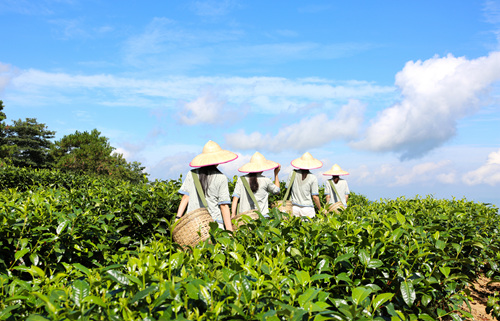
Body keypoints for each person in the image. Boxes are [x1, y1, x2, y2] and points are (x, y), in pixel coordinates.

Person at [176, 140, 237, 231]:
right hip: (214, 223)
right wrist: (229, 230)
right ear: (218, 160)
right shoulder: (221, 177)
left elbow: (185, 197)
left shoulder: (192, 174)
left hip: (193, 222)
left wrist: (177, 218)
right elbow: (223, 206)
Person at [231, 152, 281, 218]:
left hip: (244, 217)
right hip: (262, 217)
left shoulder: (241, 179)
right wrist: (276, 174)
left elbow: (235, 198)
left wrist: (233, 215)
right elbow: (277, 191)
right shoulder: (266, 180)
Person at [287, 152, 322, 218]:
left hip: (294, 207)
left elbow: (287, 188)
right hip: (308, 209)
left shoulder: (292, 173)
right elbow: (315, 197)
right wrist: (320, 209)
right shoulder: (313, 177)